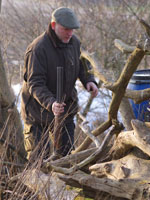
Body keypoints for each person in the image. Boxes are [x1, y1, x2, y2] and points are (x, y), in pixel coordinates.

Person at [21, 7, 98, 162]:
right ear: (54, 25)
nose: (70, 33)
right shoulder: (38, 49)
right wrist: (50, 103)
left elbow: (82, 65)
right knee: (38, 160)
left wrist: (89, 80)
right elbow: (35, 83)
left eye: (72, 30)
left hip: (65, 108)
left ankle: (64, 186)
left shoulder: (74, 43)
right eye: (66, 29)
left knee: (67, 157)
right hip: (38, 112)